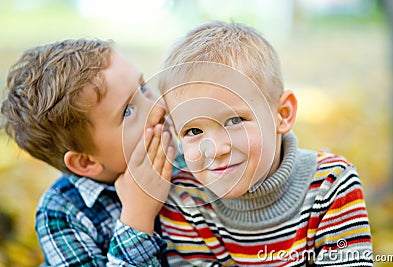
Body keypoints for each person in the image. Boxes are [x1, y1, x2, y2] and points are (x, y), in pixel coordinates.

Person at [157, 21, 374, 266]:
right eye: (194, 130)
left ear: (282, 114)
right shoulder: (185, 198)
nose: (216, 149)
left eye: (234, 120)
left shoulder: (331, 185)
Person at [1, 38, 176, 266]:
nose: (158, 107)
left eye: (143, 87)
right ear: (85, 162)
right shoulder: (61, 214)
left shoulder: (185, 156)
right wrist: (137, 216)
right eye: (127, 112)